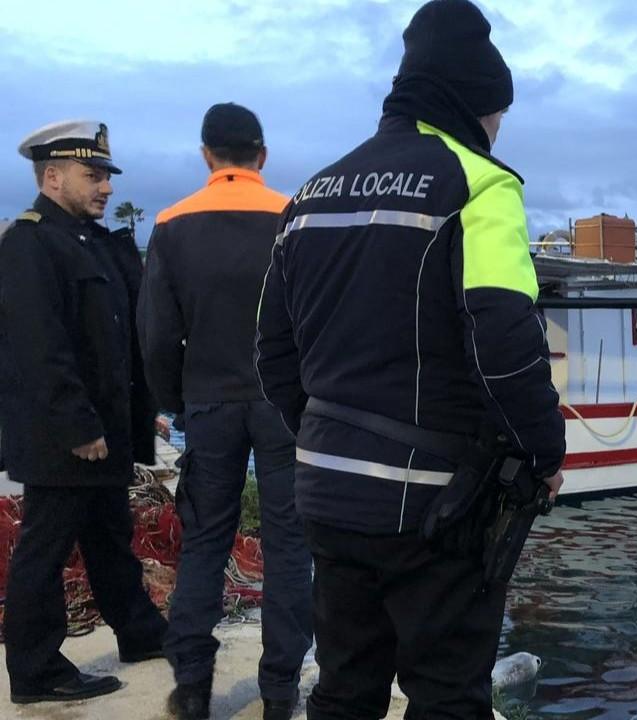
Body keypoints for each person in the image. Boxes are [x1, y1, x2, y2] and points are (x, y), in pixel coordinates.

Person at [255, 1, 566, 717]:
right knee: (447, 694)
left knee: (344, 686)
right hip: (437, 508)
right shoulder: (482, 186)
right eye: (498, 115)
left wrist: (330, 436)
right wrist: (544, 452)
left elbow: (272, 353)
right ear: (475, 102)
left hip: (328, 495)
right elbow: (504, 345)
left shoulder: (309, 196)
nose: (497, 131)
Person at [137, 103, 313, 720]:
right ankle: (281, 690)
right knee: (291, 545)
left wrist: (175, 402)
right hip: (284, 405)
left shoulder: (170, 223)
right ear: (261, 156)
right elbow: (316, 323)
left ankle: (191, 686)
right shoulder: (294, 218)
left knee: (206, 539)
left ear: (207, 155)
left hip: (208, 401)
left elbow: (157, 336)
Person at [0, 120, 168, 704]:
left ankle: (141, 632)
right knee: (44, 549)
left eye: (105, 176)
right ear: (52, 176)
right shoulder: (29, 243)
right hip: (62, 432)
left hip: (101, 427)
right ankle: (35, 669)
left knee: (108, 533)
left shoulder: (89, 241)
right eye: (91, 175)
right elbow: (38, 346)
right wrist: (76, 424)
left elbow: (113, 340)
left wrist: (142, 411)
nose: (103, 187)